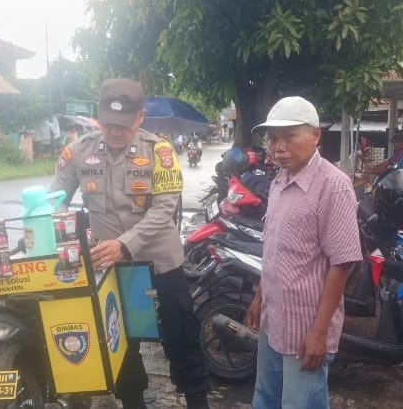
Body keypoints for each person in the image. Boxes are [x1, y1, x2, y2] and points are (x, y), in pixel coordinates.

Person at [49, 78, 210, 409]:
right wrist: (65, 228)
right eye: (108, 124)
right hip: (111, 266)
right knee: (118, 338)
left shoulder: (160, 152)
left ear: (140, 117)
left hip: (160, 263)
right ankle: (133, 400)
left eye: (123, 124)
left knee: (180, 334)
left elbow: (164, 209)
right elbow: (55, 199)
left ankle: (196, 399)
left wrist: (124, 244)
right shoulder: (78, 151)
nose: (115, 131)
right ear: (98, 116)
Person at [246, 96, 363, 409]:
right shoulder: (280, 180)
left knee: (299, 404)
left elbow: (341, 263)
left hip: (305, 327)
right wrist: (259, 298)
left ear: (315, 135)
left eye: (289, 137)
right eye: (272, 139)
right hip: (273, 318)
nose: (278, 148)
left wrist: (319, 333)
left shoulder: (333, 186)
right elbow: (275, 249)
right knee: (265, 398)